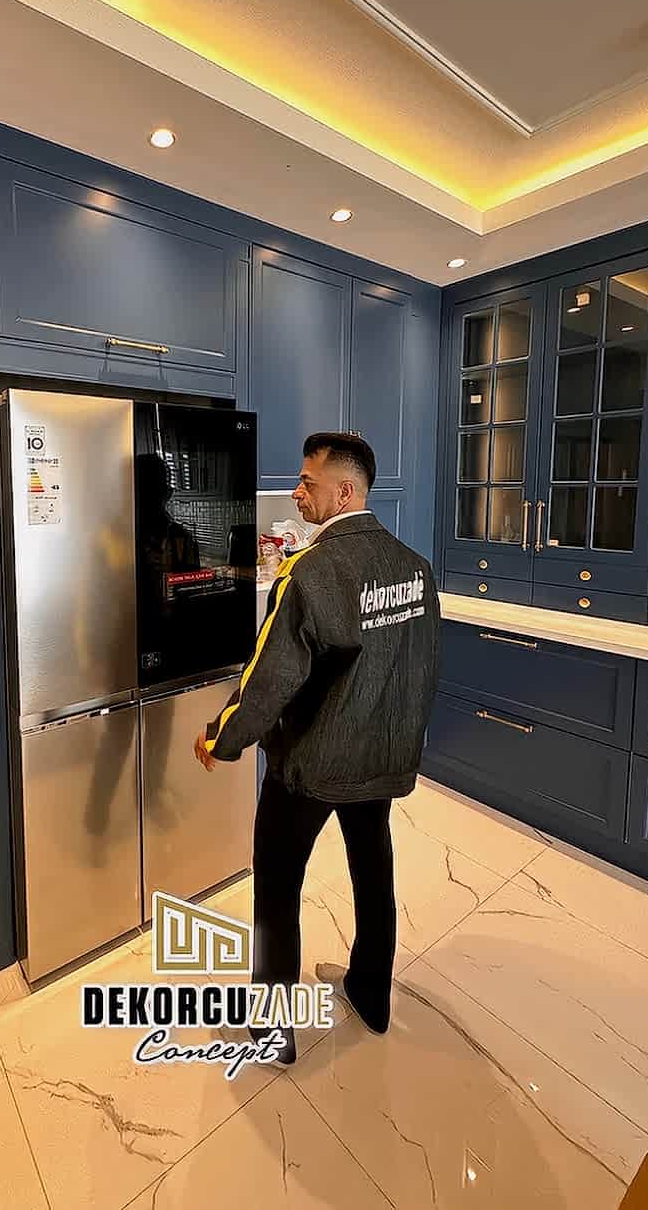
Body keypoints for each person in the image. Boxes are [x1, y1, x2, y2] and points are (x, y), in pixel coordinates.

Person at [195, 432, 440, 1065]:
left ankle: (273, 1029)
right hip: (379, 758)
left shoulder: (309, 573)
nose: (298, 492)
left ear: (346, 491)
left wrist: (222, 737)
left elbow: (269, 677)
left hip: (311, 765)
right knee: (373, 871)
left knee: (278, 888)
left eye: (308, 483)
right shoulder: (415, 569)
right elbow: (420, 669)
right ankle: (371, 994)